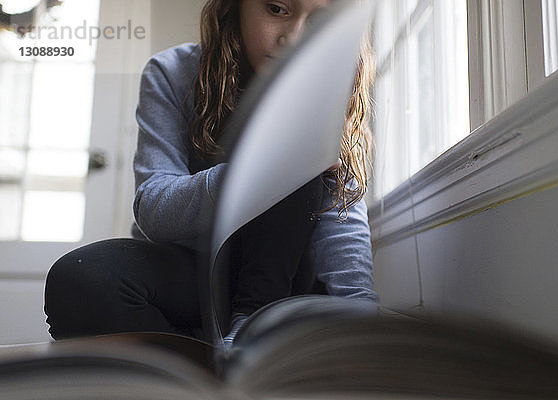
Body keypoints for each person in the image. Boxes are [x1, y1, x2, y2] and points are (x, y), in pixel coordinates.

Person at [44, 0, 378, 346]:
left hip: (286, 282)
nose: (292, 38)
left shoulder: (329, 83)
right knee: (80, 279)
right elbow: (154, 210)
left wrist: (363, 316)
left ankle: (250, 328)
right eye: (277, 9)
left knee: (297, 147)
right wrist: (257, 171)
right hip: (194, 275)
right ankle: (218, 365)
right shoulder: (171, 73)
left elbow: (341, 213)